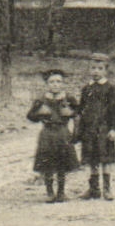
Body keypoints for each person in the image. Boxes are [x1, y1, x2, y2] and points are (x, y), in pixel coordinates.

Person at [75, 54, 115, 201]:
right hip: (89, 130)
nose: (96, 71)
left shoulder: (110, 89)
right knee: (92, 159)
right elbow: (81, 109)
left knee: (105, 159)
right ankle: (94, 188)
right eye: (93, 68)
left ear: (106, 71)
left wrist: (113, 128)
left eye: (100, 68)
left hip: (104, 129)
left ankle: (107, 189)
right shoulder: (86, 89)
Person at [27, 68, 80, 203]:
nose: (55, 84)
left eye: (58, 81)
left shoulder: (69, 98)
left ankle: (61, 192)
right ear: (47, 84)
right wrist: (39, 113)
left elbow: (79, 113)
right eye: (51, 82)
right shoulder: (42, 99)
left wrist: (71, 114)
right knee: (48, 163)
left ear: (63, 83)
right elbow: (30, 116)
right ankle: (50, 192)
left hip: (63, 132)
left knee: (62, 163)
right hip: (47, 133)